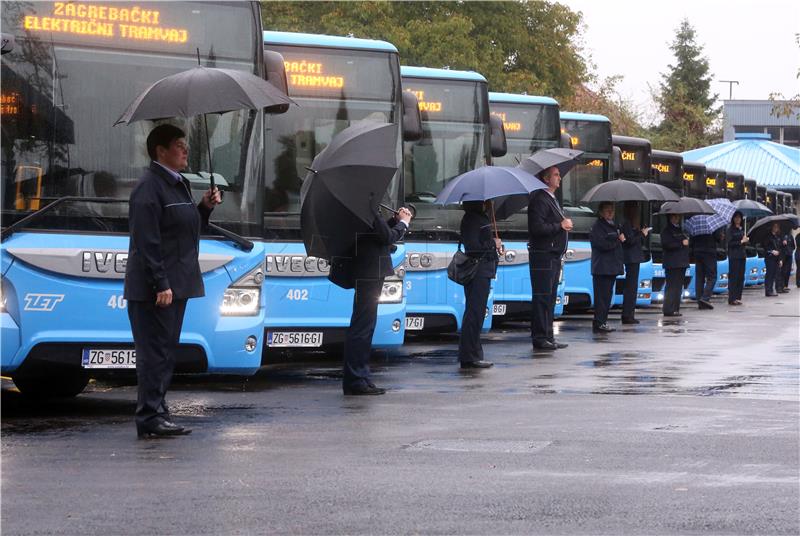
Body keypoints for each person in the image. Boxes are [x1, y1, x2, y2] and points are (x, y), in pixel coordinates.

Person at [124, 124, 221, 438]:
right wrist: (160, 283)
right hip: (156, 290)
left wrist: (204, 208)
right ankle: (149, 416)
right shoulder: (149, 188)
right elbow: (146, 242)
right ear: (160, 151)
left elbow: (182, 229)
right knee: (154, 352)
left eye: (185, 145)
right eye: (179, 145)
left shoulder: (176, 185)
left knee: (165, 351)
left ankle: (158, 410)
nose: (185, 150)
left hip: (175, 284)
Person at [329, 205, 412, 395]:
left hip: (366, 270)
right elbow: (387, 237)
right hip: (369, 271)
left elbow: (376, 231)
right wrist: (403, 224)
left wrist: (393, 220)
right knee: (362, 326)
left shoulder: (359, 205)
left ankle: (361, 377)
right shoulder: (366, 205)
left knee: (365, 324)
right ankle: (356, 379)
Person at [528, 166, 572, 351]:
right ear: (546, 179)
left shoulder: (552, 200)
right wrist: (559, 225)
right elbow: (537, 228)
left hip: (553, 255)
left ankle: (548, 335)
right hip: (543, 256)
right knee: (542, 297)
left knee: (551, 297)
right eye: (556, 175)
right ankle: (540, 337)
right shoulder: (539, 200)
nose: (559, 178)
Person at [458, 200, 501, 369]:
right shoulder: (471, 219)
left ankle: (474, 353)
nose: (489, 202)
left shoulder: (480, 218)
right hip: (477, 272)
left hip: (484, 271)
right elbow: (473, 247)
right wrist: (492, 243)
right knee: (474, 312)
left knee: (477, 312)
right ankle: (469, 356)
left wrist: (495, 244)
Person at [590, 202, 625, 333]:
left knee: (607, 297)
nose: (610, 213)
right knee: (601, 298)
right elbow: (602, 245)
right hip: (602, 268)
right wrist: (618, 240)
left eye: (612, 210)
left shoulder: (614, 226)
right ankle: (599, 323)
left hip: (611, 268)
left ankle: (603, 321)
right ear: (601, 212)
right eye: (607, 210)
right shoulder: (598, 227)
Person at [620, 202, 650, 324]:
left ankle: (629, 314)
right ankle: (627, 315)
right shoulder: (626, 224)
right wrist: (642, 234)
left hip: (634, 258)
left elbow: (632, 238)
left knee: (632, 287)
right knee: (630, 288)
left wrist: (640, 232)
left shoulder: (632, 224)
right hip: (631, 258)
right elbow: (630, 241)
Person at [661, 213, 690, 317]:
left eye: (677, 216)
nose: (676, 218)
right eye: (674, 216)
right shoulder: (666, 231)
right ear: (669, 218)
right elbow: (666, 244)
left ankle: (675, 308)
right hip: (672, 263)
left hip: (681, 262)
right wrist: (681, 243)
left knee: (678, 287)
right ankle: (668, 309)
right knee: (671, 287)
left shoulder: (681, 230)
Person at [689, 227, 723, 310]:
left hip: (697, 252)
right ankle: (705, 298)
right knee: (712, 277)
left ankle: (699, 301)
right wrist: (721, 237)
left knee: (699, 277)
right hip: (709, 252)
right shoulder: (713, 223)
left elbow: (691, 240)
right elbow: (718, 237)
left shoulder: (696, 223)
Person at [726, 211, 748, 305]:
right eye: (736, 217)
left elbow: (743, 243)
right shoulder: (730, 230)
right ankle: (732, 298)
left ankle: (738, 297)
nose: (738, 219)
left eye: (739, 217)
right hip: (734, 256)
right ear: (733, 219)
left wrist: (746, 241)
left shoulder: (742, 229)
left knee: (740, 277)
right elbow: (730, 243)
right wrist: (741, 241)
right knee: (734, 277)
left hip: (742, 256)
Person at [762, 222, 782, 297]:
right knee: (769, 274)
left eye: (777, 227)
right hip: (769, 258)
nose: (776, 228)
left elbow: (779, 248)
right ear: (772, 227)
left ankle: (771, 289)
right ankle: (768, 290)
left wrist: (780, 259)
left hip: (776, 258)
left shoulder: (777, 236)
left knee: (774, 274)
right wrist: (772, 251)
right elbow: (765, 247)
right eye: (774, 226)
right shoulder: (768, 236)